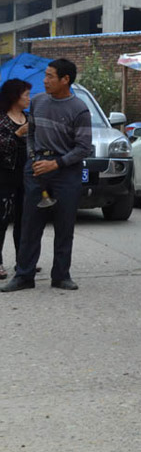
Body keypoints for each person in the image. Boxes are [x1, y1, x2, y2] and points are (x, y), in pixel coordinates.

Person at [2, 59, 91, 293]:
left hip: (65, 174)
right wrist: (33, 158)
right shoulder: (39, 102)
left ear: (65, 80)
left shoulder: (79, 109)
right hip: (36, 170)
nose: (45, 80)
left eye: (51, 76)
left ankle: (61, 275)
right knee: (30, 225)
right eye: (46, 75)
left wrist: (55, 164)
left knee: (64, 226)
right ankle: (24, 275)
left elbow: (84, 148)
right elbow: (32, 133)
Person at [0, 78, 31, 280]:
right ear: (14, 96)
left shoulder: (29, 118)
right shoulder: (2, 119)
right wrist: (17, 134)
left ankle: (24, 260)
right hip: (4, 176)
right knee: (2, 219)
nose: (29, 98)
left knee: (24, 220)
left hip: (26, 176)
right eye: (26, 94)